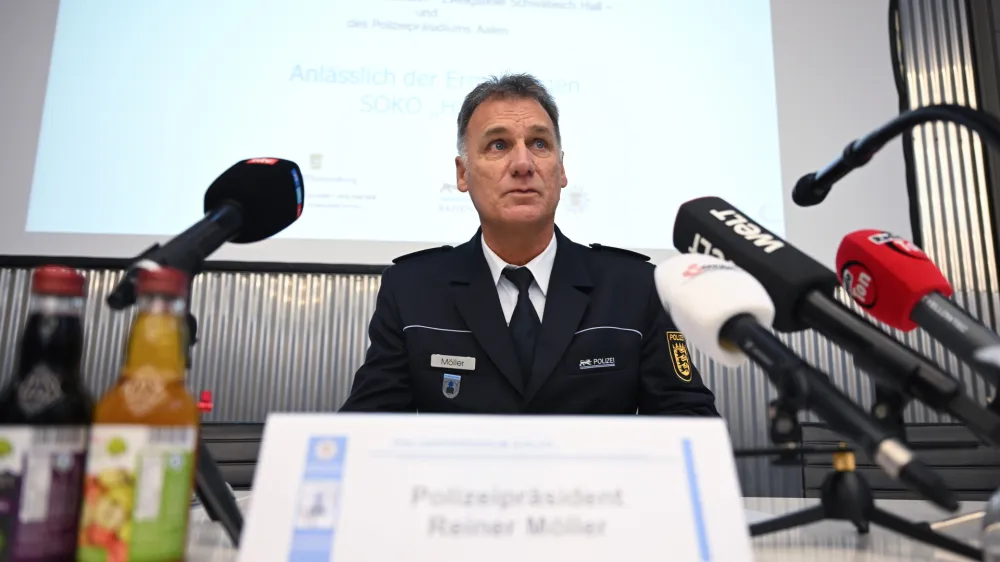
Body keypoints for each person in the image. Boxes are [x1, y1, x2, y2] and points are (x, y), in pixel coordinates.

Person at [340, 73, 719, 416]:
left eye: (539, 143)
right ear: (463, 173)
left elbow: (691, 424)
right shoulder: (412, 290)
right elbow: (366, 430)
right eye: (498, 145)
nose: (523, 164)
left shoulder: (633, 287)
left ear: (562, 168)